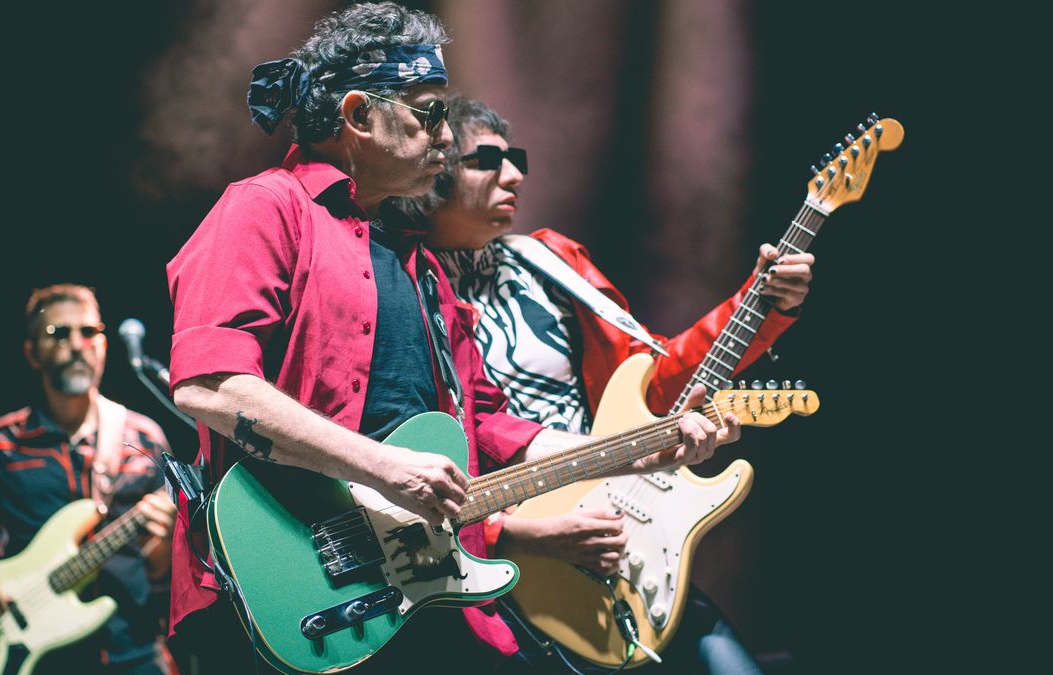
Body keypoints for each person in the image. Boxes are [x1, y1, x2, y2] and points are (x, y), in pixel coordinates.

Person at [163, 3, 739, 673]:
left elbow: (490, 425)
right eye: (429, 112)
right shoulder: (267, 207)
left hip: (415, 587)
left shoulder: (421, 265)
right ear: (356, 116)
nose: (447, 135)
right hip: (289, 587)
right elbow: (208, 384)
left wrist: (636, 450)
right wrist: (383, 465)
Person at [397, 95, 816, 673]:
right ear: (431, 176)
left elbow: (656, 376)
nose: (515, 174)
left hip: (619, 520)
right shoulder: (397, 284)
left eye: (515, 158)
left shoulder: (548, 259)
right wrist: (514, 533)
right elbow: (399, 459)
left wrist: (762, 303)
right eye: (486, 160)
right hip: (492, 562)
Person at [0, 284, 179, 675]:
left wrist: (168, 536)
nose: (77, 345)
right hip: (36, 655)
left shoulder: (143, 439)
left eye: (88, 332)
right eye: (59, 334)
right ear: (32, 352)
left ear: (104, 345)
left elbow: (167, 566)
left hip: (132, 650)